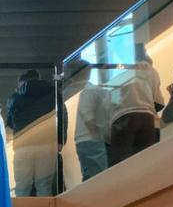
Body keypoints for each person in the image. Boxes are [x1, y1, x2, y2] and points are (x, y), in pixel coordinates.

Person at [7, 69, 60, 197]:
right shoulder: (52, 92)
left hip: (23, 146)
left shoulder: (15, 97)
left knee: (22, 188)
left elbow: (9, 122)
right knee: (44, 187)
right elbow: (62, 114)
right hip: (46, 145)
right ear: (38, 78)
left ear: (21, 82)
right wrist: (60, 140)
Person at [108, 52, 164, 166]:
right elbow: (158, 101)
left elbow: (112, 101)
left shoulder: (117, 73)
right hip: (147, 117)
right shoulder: (150, 70)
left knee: (122, 163)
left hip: (121, 118)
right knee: (147, 160)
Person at [69, 61, 113, 181]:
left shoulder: (92, 91)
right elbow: (89, 118)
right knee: (100, 178)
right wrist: (99, 136)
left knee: (90, 177)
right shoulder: (91, 91)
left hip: (84, 139)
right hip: (91, 139)